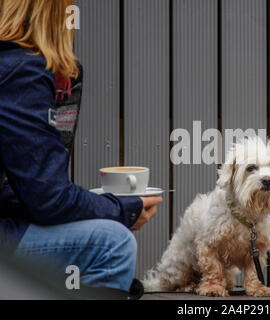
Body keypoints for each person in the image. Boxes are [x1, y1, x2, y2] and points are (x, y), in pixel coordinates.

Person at [0, 0, 163, 297]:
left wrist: (88, 206)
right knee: (113, 243)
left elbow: (24, 190)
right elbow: (49, 199)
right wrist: (123, 210)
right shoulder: (22, 71)